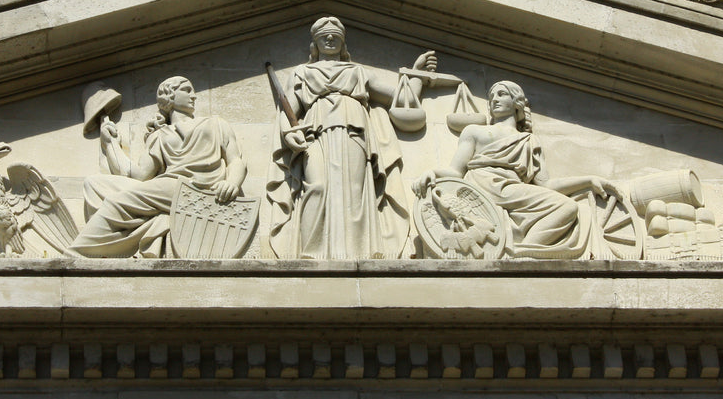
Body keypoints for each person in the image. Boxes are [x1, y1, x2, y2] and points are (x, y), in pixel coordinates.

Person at [267, 16, 437, 260]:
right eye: (324, 35)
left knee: (355, 190)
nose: (329, 38)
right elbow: (288, 111)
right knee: (317, 186)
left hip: (354, 134)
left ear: (343, 43)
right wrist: (287, 132)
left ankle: (359, 251)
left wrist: (417, 74)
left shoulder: (357, 72)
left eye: (335, 36)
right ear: (314, 44)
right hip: (316, 136)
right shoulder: (302, 72)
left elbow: (400, 98)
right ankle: (313, 253)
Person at [413, 80, 616, 258]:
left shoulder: (529, 140)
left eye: (501, 94)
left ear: (517, 102)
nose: (494, 99)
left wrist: (588, 180)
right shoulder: (475, 131)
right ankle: (523, 251)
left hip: (512, 189)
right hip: (484, 184)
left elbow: (546, 184)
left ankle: (524, 251)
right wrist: (433, 173)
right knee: (568, 207)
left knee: (568, 207)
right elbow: (456, 172)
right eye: (492, 96)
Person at [69, 76, 247, 258]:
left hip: (197, 188)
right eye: (186, 90)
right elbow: (138, 176)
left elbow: (236, 160)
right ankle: (109, 250)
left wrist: (232, 182)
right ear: (169, 95)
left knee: (116, 201)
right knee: (95, 184)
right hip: (171, 188)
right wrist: (111, 143)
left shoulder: (215, 123)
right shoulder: (159, 135)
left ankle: (77, 254)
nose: (194, 96)